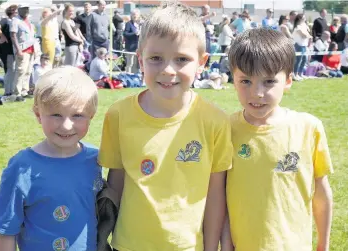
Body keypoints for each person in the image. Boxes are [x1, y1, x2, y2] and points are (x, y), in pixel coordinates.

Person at [98, 2, 233, 251]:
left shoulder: (215, 121)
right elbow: (115, 183)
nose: (168, 70)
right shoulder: (118, 115)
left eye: (182, 59)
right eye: (156, 58)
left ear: (202, 62)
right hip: (128, 245)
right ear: (140, 60)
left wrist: (211, 247)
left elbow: (216, 195)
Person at [221, 28, 333, 251]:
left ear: (288, 81)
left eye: (269, 81)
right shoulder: (225, 129)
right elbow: (220, 196)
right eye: (245, 81)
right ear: (233, 79)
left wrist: (323, 244)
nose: (257, 93)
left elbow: (321, 193)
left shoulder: (309, 128)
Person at [0, 66, 103, 251]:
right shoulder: (21, 168)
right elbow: (5, 229)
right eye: (56, 115)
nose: (66, 126)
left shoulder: (96, 159)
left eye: (77, 115)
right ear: (38, 115)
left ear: (91, 116)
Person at [10, 4, 36, 102]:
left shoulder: (28, 20)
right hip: (22, 49)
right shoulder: (15, 20)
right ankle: (17, 93)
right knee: (20, 71)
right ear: (19, 10)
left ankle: (24, 91)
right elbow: (13, 35)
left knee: (28, 71)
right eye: (24, 9)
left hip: (31, 49)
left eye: (27, 8)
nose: (26, 10)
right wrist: (18, 50)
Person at [0, 5, 18, 97]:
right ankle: (8, 92)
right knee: (9, 70)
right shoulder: (5, 20)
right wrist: (2, 36)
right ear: (12, 12)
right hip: (6, 50)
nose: (18, 13)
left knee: (11, 70)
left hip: (10, 50)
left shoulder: (14, 22)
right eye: (16, 12)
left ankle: (10, 90)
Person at [292, 14, 312, 81]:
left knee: (304, 60)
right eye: (303, 18)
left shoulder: (304, 26)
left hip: (304, 45)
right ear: (300, 19)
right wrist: (307, 35)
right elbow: (304, 36)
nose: (305, 19)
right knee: (298, 61)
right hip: (298, 45)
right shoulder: (298, 27)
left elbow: (309, 34)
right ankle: (295, 74)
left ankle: (300, 74)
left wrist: (307, 34)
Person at [123, 8, 141, 74]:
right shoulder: (128, 23)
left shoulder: (140, 24)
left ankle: (134, 79)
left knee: (137, 65)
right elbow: (125, 34)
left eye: (136, 15)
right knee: (130, 64)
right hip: (130, 48)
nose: (135, 16)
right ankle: (127, 77)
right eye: (133, 14)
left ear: (139, 15)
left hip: (138, 48)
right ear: (131, 15)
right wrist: (134, 33)